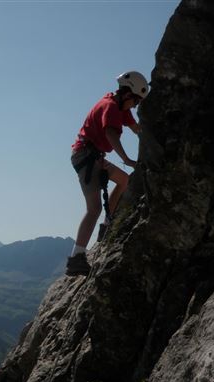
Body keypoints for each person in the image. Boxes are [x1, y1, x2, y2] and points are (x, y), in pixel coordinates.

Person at [65, 71, 149, 277]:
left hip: (93, 156)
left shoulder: (119, 106)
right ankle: (76, 258)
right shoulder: (111, 107)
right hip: (86, 156)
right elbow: (111, 134)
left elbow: (136, 128)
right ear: (128, 95)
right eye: (136, 101)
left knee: (124, 180)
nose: (136, 105)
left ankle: (106, 225)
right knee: (93, 208)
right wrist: (128, 159)